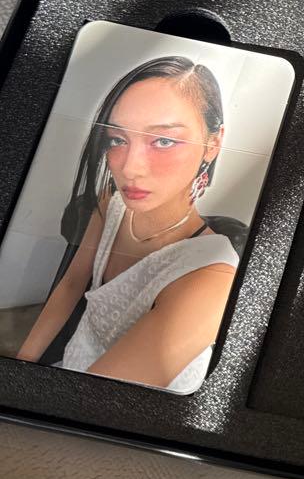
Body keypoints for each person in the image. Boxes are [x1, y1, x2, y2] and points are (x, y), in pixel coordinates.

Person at [15, 56, 243, 393]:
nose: (130, 168)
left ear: (213, 143)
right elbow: (72, 283)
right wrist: (19, 369)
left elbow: (96, 404)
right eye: (117, 140)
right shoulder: (112, 204)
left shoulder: (213, 278)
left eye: (164, 141)